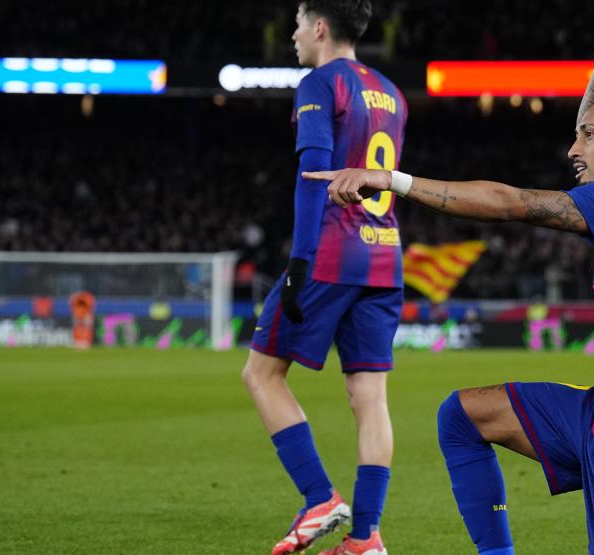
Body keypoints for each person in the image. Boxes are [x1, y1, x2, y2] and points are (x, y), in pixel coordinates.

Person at [305, 24, 594, 555]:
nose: (574, 147)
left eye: (586, 136)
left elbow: (510, 203)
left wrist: (391, 180)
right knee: (464, 416)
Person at [242, 1, 406, 554]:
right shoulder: (392, 92)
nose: (290, 34)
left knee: (262, 374)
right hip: (385, 254)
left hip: (333, 255)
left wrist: (297, 265)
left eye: (295, 23)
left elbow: (314, 176)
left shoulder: (320, 83)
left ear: (318, 27)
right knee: (370, 396)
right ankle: (367, 537)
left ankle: (319, 498)